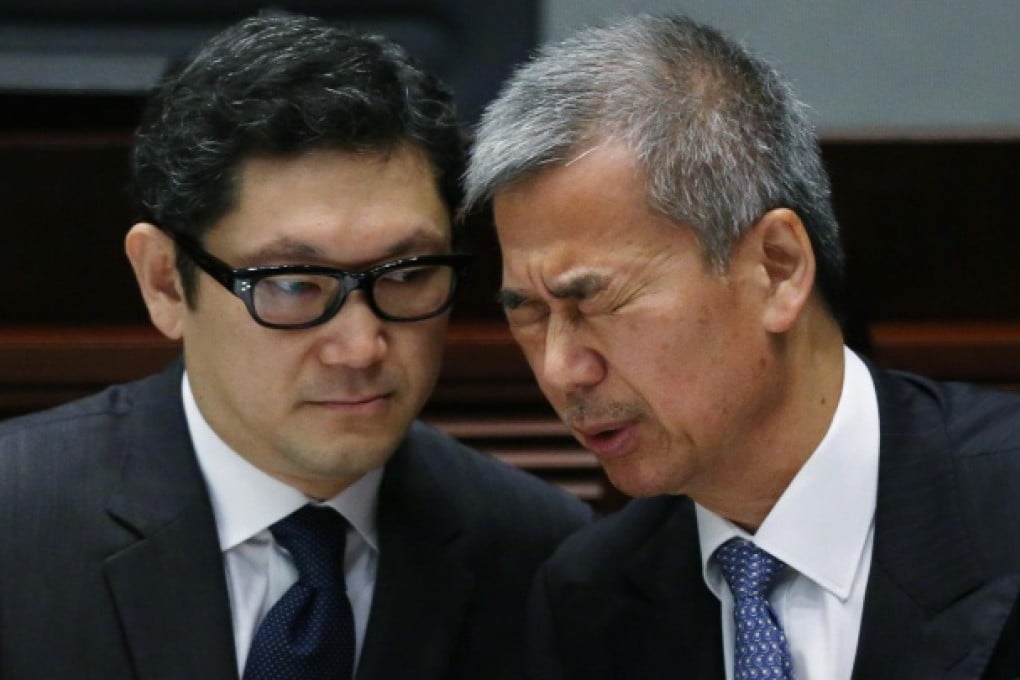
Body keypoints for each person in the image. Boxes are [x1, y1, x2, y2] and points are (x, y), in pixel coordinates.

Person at [0, 12, 592, 680]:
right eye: (293, 286)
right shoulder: (15, 524)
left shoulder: (543, 557)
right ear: (166, 283)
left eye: (406, 276)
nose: (361, 347)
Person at [464, 13, 1020, 679]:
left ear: (777, 269)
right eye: (528, 313)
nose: (561, 370)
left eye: (596, 302)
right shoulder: (590, 601)